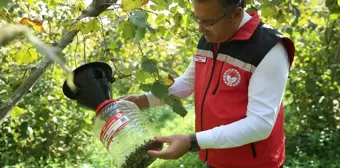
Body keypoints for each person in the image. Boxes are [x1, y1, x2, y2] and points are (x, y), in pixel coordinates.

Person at [118, 0, 295, 167]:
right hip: (216, 156)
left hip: (254, 163)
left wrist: (192, 141)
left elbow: (260, 124)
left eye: (208, 22)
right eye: (198, 19)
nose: (201, 28)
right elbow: (187, 83)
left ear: (236, 14)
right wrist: (142, 100)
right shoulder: (211, 37)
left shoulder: (269, 49)